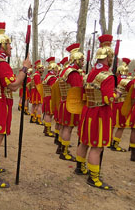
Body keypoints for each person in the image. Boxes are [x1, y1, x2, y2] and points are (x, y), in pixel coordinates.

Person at [0, 22, 31, 188]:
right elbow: (14, 85)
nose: (11, 47)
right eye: (9, 44)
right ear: (2, 45)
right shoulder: (0, 63)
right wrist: (24, 69)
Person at [75, 34, 117, 190]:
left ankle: (80, 167)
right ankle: (94, 178)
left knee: (84, 141)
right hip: (99, 114)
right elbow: (107, 99)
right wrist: (116, 94)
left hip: (87, 111)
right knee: (97, 146)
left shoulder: (89, 73)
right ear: (109, 58)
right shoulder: (108, 76)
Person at [57, 43, 84, 162]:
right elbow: (77, 89)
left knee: (64, 127)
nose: (83, 62)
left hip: (63, 102)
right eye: (81, 60)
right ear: (76, 60)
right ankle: (64, 152)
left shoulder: (64, 70)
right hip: (71, 104)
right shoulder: (74, 73)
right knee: (68, 128)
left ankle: (61, 147)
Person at [111, 58, 132, 152]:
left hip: (113, 104)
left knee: (112, 124)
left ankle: (109, 141)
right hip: (122, 104)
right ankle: (115, 144)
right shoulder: (127, 81)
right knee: (121, 126)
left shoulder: (114, 78)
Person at [42, 57, 58, 137]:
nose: (57, 70)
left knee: (47, 113)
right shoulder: (52, 77)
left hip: (47, 97)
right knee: (49, 114)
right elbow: (54, 88)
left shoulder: (48, 76)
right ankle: (47, 130)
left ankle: (46, 129)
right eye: (56, 68)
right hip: (50, 98)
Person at [30, 60, 44, 125]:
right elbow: (38, 85)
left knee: (34, 105)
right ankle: (38, 119)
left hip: (34, 91)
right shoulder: (37, 75)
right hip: (37, 91)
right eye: (41, 68)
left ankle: (32, 117)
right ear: (38, 68)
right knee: (39, 105)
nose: (43, 69)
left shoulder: (36, 74)